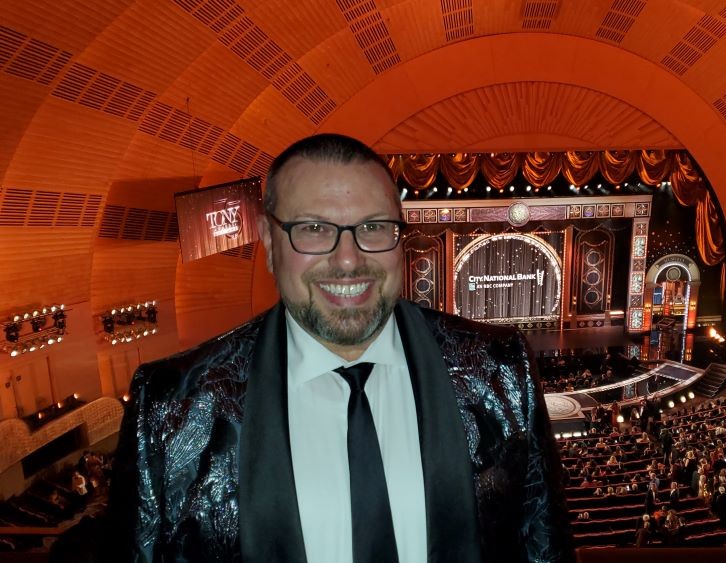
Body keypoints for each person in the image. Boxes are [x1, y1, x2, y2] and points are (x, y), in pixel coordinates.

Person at [104, 134, 574, 562]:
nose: (348, 260)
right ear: (269, 241)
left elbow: (544, 546)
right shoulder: (173, 406)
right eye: (313, 228)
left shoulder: (500, 369)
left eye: (373, 227)